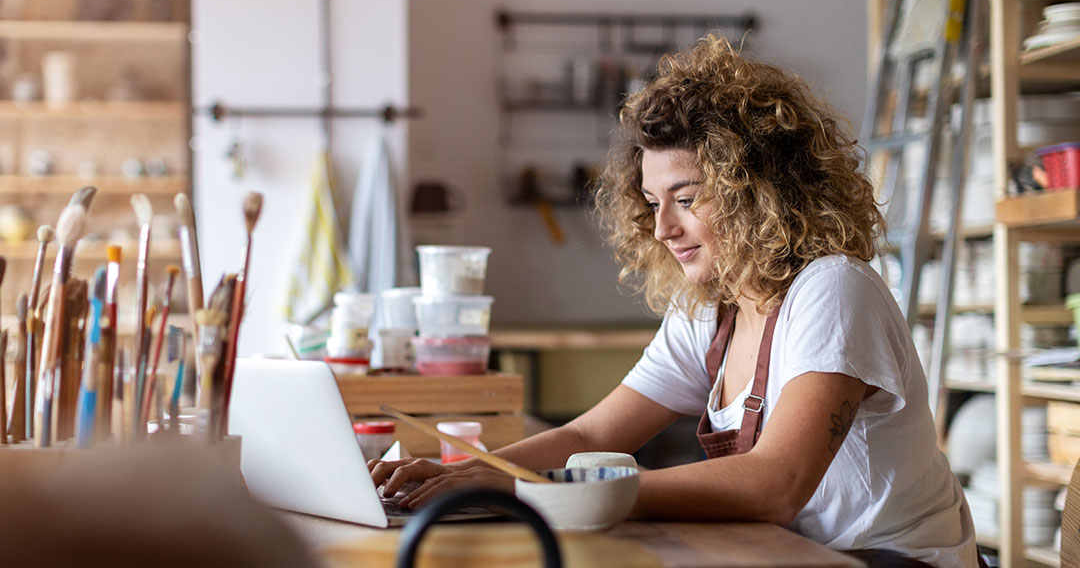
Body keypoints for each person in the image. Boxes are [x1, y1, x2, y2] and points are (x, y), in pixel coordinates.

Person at [370, 35, 977, 568]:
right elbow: (591, 432)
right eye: (652, 201)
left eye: (686, 198)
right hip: (794, 556)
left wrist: (545, 490)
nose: (662, 228)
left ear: (759, 192)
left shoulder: (834, 289)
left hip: (894, 561)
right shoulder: (711, 309)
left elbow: (776, 484)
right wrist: (478, 473)